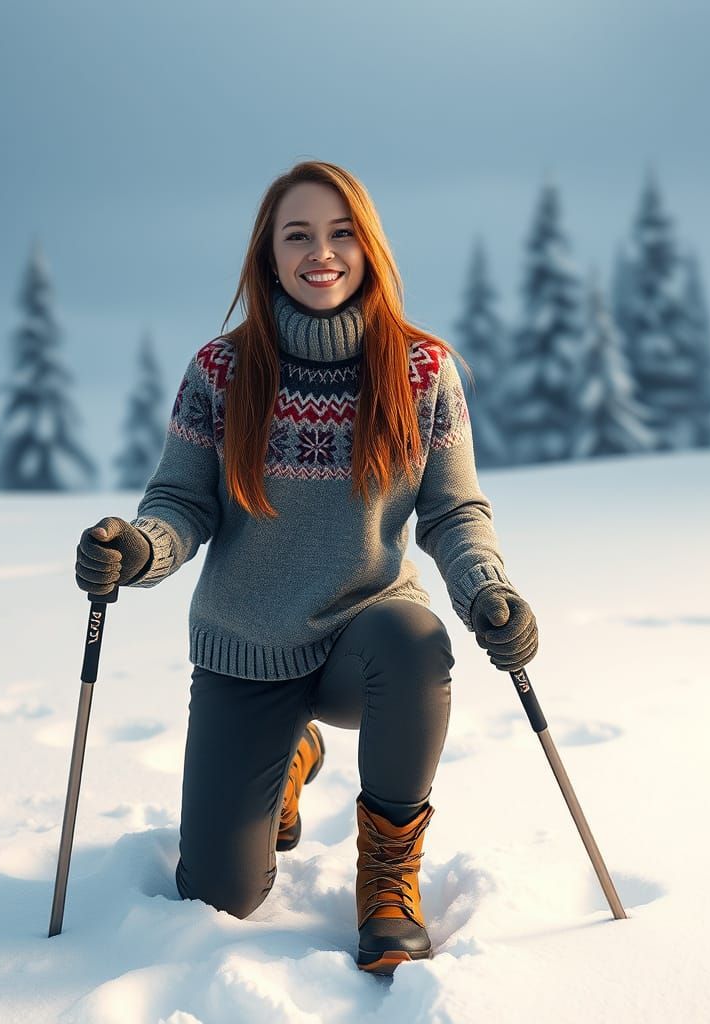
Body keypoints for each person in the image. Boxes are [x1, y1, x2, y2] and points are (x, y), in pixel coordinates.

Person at [75, 160, 538, 975]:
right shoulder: (221, 371)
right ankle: (292, 753)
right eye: (299, 235)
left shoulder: (423, 370)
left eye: (340, 233)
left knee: (417, 642)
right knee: (222, 894)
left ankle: (389, 875)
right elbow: (182, 502)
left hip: (367, 639)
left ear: (367, 247)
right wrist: (139, 548)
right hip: (246, 644)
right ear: (269, 253)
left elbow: (454, 511)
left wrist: (488, 591)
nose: (321, 253)